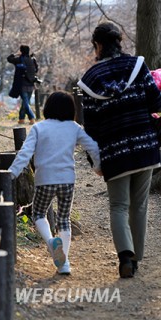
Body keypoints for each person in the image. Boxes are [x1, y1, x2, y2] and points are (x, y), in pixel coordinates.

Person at [77, 22, 161, 278]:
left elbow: (90, 127)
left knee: (118, 206)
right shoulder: (137, 66)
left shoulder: (90, 80)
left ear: (98, 45)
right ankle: (137, 255)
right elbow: (156, 102)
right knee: (140, 205)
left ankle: (125, 257)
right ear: (119, 41)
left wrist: (96, 161)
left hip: (114, 153)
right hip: (144, 147)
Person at [8, 91, 102, 275]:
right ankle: (64, 264)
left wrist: (11, 173)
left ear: (47, 108)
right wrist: (98, 168)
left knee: (39, 213)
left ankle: (51, 242)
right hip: (67, 180)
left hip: (45, 180)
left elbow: (25, 153)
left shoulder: (39, 128)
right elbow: (93, 147)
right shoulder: (74, 128)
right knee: (64, 220)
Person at [7, 45, 39, 125]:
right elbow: (36, 70)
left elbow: (9, 59)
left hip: (22, 85)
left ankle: (32, 118)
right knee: (25, 102)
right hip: (31, 85)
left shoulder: (19, 60)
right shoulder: (32, 60)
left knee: (25, 103)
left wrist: (16, 54)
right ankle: (21, 119)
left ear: (21, 51)